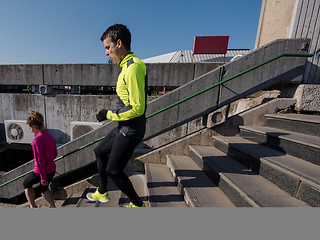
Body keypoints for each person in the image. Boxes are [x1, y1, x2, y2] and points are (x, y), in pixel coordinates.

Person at [86, 24, 147, 207]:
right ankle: (103, 192)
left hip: (131, 129)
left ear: (118, 43)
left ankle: (137, 204)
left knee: (114, 170)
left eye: (108, 47)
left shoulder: (133, 67)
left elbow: (137, 108)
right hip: (124, 126)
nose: (106, 53)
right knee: (99, 151)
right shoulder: (126, 67)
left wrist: (108, 114)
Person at [23, 111, 57, 208]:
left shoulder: (36, 140)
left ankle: (32, 206)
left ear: (34, 126)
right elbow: (55, 154)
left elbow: (39, 160)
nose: (30, 131)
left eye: (30, 128)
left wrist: (43, 177)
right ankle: (52, 206)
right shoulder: (50, 136)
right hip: (52, 169)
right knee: (44, 188)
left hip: (42, 171)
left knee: (26, 183)